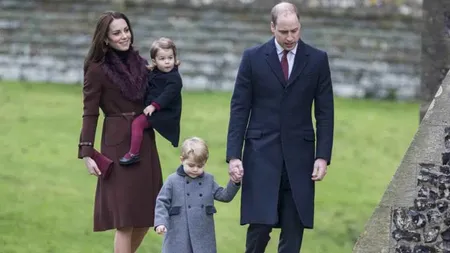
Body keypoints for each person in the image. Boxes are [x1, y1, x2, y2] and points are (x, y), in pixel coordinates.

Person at [226, 2, 334, 253]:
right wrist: (233, 155)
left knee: (293, 230)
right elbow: (239, 108)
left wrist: (322, 156)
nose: (290, 37)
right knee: (259, 229)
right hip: (261, 154)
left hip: (300, 158)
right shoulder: (252, 58)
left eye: (294, 31)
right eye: (284, 31)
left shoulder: (317, 60)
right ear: (272, 27)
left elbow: (325, 112)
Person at [77, 11, 163, 253]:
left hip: (144, 142)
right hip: (117, 145)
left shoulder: (141, 63)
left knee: (149, 215)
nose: (124, 36)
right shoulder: (96, 69)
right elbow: (90, 112)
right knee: (124, 221)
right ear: (105, 39)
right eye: (117, 32)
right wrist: (86, 152)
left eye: (126, 30)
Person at [154, 137, 242, 253]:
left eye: (200, 166)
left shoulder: (209, 180)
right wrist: (160, 222)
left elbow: (224, 196)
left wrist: (234, 182)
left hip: (203, 236)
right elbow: (162, 202)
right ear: (181, 160)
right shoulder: (172, 181)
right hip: (178, 234)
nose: (195, 169)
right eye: (191, 165)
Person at [119, 37, 183, 165]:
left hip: (165, 113)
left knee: (138, 123)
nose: (167, 62)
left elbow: (167, 95)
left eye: (170, 58)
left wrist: (153, 106)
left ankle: (133, 153)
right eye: (162, 59)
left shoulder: (174, 79)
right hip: (156, 109)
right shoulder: (155, 72)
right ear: (154, 61)